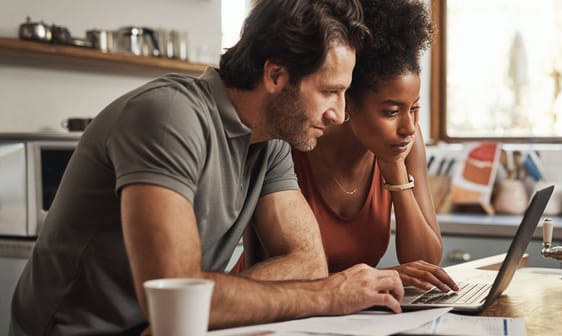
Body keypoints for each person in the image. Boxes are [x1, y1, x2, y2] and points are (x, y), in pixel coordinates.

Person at [10, 1, 405, 335]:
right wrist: (328, 295)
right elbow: (176, 297)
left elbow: (307, 262)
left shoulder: (270, 144)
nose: (338, 114)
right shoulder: (169, 115)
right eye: (329, 91)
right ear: (275, 75)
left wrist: (208, 299)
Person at [234, 0, 458, 293]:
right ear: (347, 101)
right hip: (272, 308)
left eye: (413, 108)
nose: (408, 127)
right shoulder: (290, 142)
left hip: (350, 312)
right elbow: (270, 268)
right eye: (391, 111)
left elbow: (426, 262)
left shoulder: (405, 146)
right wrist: (382, 277)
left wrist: (394, 171)